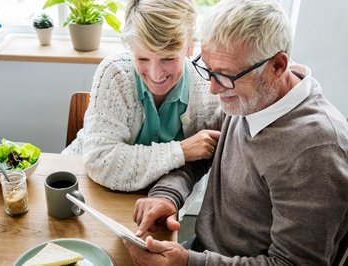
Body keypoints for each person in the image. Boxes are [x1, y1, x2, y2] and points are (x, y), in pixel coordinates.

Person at [124, 0, 348, 265]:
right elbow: (200, 153)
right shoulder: (252, 95)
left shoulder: (317, 152)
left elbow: (292, 264)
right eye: (208, 69)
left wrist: (188, 263)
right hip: (201, 250)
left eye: (225, 76)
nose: (213, 90)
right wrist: (167, 195)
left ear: (277, 66)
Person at [62, 0, 220, 216]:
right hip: (87, 189)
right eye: (142, 58)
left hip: (161, 200)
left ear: (190, 47)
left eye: (168, 58)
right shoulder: (115, 72)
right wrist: (180, 151)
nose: (155, 75)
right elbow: (100, 161)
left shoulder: (208, 88)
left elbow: (198, 168)